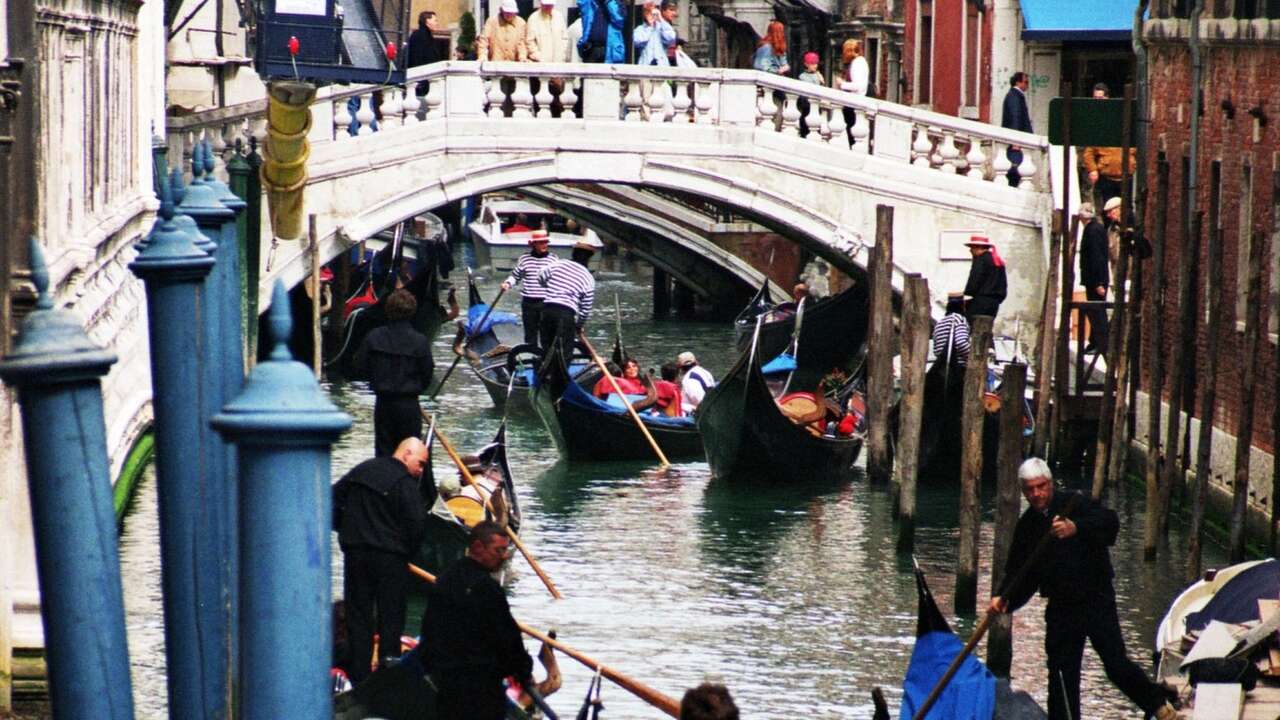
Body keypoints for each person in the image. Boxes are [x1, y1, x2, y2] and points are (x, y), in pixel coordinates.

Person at [988, 458, 1179, 720]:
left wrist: (1076, 528)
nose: (1037, 494)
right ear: (1023, 491)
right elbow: (1020, 572)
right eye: (1030, 489)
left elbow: (1110, 523)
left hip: (1096, 598)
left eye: (1041, 486)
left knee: (1115, 664)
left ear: (1050, 484)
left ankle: (1158, 704)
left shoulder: (1075, 504)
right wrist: (1004, 598)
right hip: (1061, 606)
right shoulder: (1028, 526)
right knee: (1061, 674)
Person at [332, 436, 432, 684]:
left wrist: (345, 529)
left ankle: (359, 676)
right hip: (390, 559)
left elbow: (331, 498)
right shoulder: (405, 484)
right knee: (391, 617)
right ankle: (388, 677)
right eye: (420, 463)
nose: (420, 471)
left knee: (359, 616)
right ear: (406, 453)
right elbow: (417, 525)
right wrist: (405, 552)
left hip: (355, 553)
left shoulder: (363, 470)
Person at [421, 521, 534, 719]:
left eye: (505, 550)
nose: (504, 556)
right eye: (498, 550)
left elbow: (429, 631)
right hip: (482, 687)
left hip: (446, 684)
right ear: (478, 548)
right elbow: (508, 639)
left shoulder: (444, 580)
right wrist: (523, 672)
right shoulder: (488, 589)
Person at [353, 289, 434, 457]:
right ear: (412, 312)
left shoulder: (374, 337)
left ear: (388, 310)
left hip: (384, 405)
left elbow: (359, 368)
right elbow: (427, 375)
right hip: (409, 406)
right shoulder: (420, 341)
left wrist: (376, 379)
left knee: (384, 454)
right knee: (410, 455)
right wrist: (414, 389)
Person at [536, 240, 596, 358]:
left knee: (547, 347)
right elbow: (585, 309)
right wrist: (578, 326)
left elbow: (540, 276)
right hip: (566, 314)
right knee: (566, 351)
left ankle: (546, 372)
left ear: (573, 254)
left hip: (547, 310)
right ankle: (558, 373)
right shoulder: (588, 278)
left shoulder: (558, 264)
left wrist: (550, 287)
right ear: (589, 259)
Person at [1081, 83, 1136, 209]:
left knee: (1126, 209)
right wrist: (1093, 169)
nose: (1098, 102)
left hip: (1125, 175)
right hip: (1106, 175)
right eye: (1095, 99)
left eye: (1100, 98)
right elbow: (1089, 151)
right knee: (1107, 208)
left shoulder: (1123, 121)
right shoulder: (1096, 122)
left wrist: (1132, 161)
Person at [501, 229, 559, 347]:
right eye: (541, 242)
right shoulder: (525, 259)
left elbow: (558, 280)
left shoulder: (553, 259)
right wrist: (507, 283)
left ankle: (545, 359)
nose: (544, 245)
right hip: (529, 303)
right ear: (533, 244)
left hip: (546, 302)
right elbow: (515, 276)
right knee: (530, 334)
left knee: (546, 334)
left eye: (545, 242)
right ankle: (532, 357)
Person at [1078, 201, 1110, 354]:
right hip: (1093, 279)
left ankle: (1102, 343)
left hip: (1096, 280)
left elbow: (1097, 257)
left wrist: (1098, 282)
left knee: (1097, 312)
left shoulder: (1093, 231)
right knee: (1094, 310)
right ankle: (1094, 341)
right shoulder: (1092, 229)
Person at [961, 235, 1007, 322]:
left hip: (980, 302)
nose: (970, 250)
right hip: (994, 304)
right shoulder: (998, 261)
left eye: (972, 248)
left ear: (979, 248)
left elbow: (974, 280)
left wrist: (968, 293)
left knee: (972, 327)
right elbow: (1003, 284)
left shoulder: (981, 260)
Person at [1001, 72, 1033, 187]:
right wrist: (1015, 140)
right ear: (1018, 82)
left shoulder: (1014, 95)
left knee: (1018, 168)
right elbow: (1015, 117)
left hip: (1018, 139)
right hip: (1016, 141)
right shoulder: (1014, 96)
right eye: (1026, 82)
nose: (1027, 85)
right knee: (1015, 168)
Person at [406, 11, 442, 98]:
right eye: (435, 20)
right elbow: (416, 58)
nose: (437, 23)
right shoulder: (419, 36)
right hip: (421, 81)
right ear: (427, 21)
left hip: (426, 79)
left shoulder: (428, 37)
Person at [931, 292, 970, 366]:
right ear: (962, 305)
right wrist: (972, 355)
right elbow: (961, 343)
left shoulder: (940, 323)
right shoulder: (959, 319)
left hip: (942, 367)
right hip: (958, 367)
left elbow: (936, 350)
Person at [633, 0, 675, 66]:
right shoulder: (640, 28)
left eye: (651, 11)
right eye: (647, 11)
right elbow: (637, 41)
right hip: (645, 64)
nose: (650, 14)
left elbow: (671, 38)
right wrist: (649, 26)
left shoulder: (663, 27)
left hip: (662, 65)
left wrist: (661, 19)